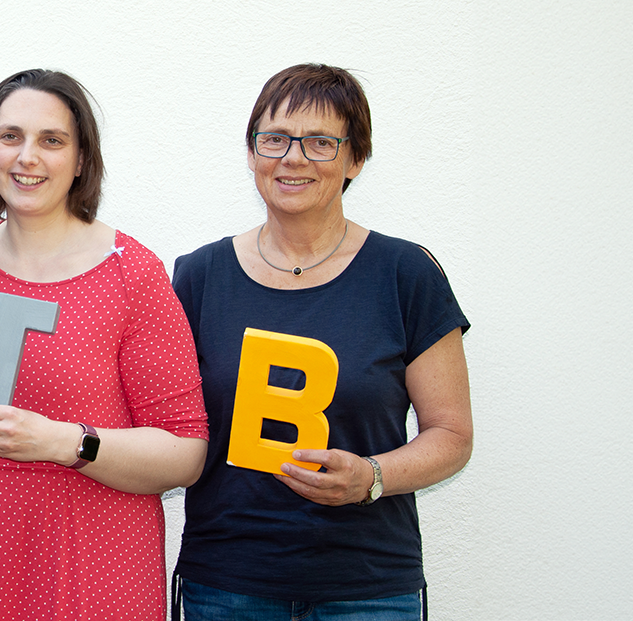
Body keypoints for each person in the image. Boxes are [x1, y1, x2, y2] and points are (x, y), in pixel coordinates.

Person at [172, 64, 473, 620]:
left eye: (321, 142)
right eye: (275, 138)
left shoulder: (406, 274)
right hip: (227, 582)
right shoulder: (198, 276)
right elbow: (168, 424)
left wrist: (372, 479)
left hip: (368, 587)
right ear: (252, 152)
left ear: (355, 158)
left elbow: (452, 435)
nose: (293, 157)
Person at [0, 69, 209, 621]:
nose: (28, 157)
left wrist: (68, 443)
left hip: (87, 563)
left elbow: (185, 451)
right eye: (11, 136)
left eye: (52, 141)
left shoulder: (130, 275)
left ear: (80, 159)